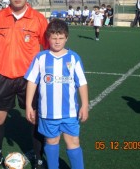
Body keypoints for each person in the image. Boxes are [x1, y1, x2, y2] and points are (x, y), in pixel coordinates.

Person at [0, 0, 49, 169]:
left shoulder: (38, 19)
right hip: (3, 75)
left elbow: (48, 49)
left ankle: (38, 157)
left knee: (34, 117)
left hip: (30, 79)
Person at [25, 19, 89, 169]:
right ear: (48, 38)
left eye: (61, 38)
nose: (57, 41)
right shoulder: (40, 58)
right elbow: (32, 82)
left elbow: (82, 83)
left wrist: (85, 105)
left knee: (73, 141)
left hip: (70, 113)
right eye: (54, 38)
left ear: (66, 38)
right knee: (52, 142)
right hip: (48, 113)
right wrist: (28, 105)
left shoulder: (73, 58)